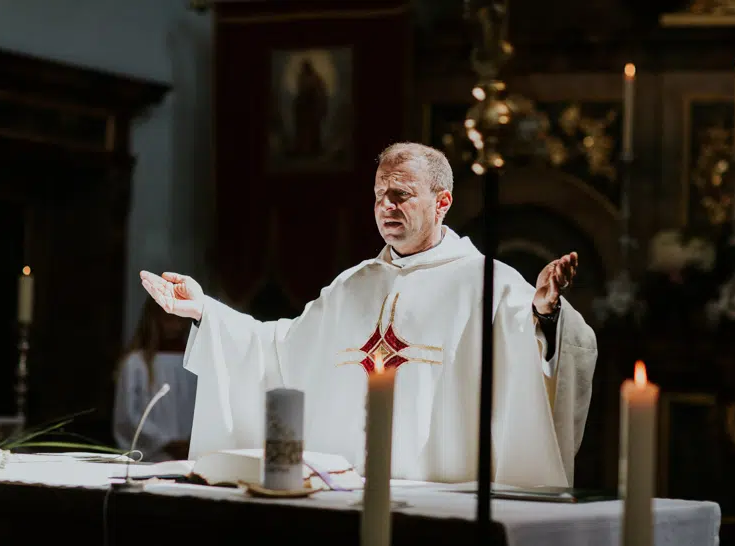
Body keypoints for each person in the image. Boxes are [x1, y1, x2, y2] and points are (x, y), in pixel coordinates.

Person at [140, 142, 597, 486]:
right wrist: (203, 310)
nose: (386, 207)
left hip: (438, 492)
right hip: (348, 491)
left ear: (443, 203)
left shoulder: (488, 283)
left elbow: (539, 356)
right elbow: (279, 350)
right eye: (379, 195)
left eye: (400, 194)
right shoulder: (353, 283)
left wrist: (545, 315)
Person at [113, 297, 197, 461]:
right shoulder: (136, 364)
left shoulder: (195, 363)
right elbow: (128, 416)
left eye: (180, 317)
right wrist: (166, 442)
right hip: (150, 459)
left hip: (191, 457)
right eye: (168, 316)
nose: (174, 324)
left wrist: (190, 443)